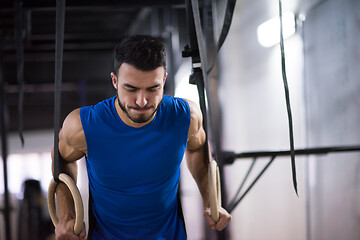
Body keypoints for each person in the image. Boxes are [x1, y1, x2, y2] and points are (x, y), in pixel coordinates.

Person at [52, 35, 232, 240]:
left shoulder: (185, 117)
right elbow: (61, 159)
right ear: (114, 81)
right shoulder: (83, 126)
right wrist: (67, 215)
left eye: (153, 88)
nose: (142, 100)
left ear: (164, 80)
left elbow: (197, 148)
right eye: (131, 89)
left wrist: (211, 201)